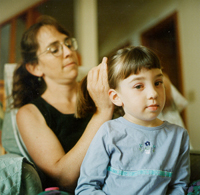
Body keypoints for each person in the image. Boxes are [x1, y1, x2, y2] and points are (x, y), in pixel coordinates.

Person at [12, 15, 113, 193]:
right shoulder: (30, 113)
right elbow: (64, 177)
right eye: (54, 49)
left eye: (68, 43)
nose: (68, 52)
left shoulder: (98, 88)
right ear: (35, 67)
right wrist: (103, 112)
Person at [75, 46, 190, 195]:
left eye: (157, 82)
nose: (153, 93)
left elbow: (179, 186)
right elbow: (86, 188)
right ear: (116, 97)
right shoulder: (108, 132)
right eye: (138, 86)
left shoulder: (179, 136)